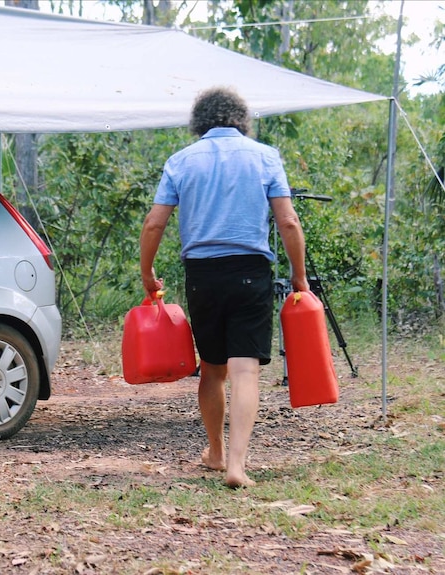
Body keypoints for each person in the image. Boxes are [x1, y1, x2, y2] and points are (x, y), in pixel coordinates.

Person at [139, 86, 309, 488]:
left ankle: (214, 452)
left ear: (199, 121)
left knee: (213, 370)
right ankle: (237, 465)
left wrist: (148, 273)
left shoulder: (181, 161)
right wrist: (299, 275)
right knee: (245, 371)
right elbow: (288, 222)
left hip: (203, 276)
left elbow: (154, 223)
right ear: (241, 118)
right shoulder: (265, 156)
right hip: (251, 272)